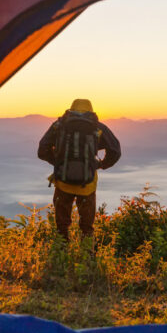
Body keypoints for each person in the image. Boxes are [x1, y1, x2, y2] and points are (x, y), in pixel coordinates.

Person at [37, 99, 121, 239]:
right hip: (87, 184)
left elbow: (42, 150)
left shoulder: (59, 126)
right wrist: (99, 165)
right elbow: (115, 151)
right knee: (87, 226)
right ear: (91, 110)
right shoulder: (98, 127)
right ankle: (88, 257)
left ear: (71, 108)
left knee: (62, 225)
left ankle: (60, 254)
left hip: (63, 183)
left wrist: (58, 163)